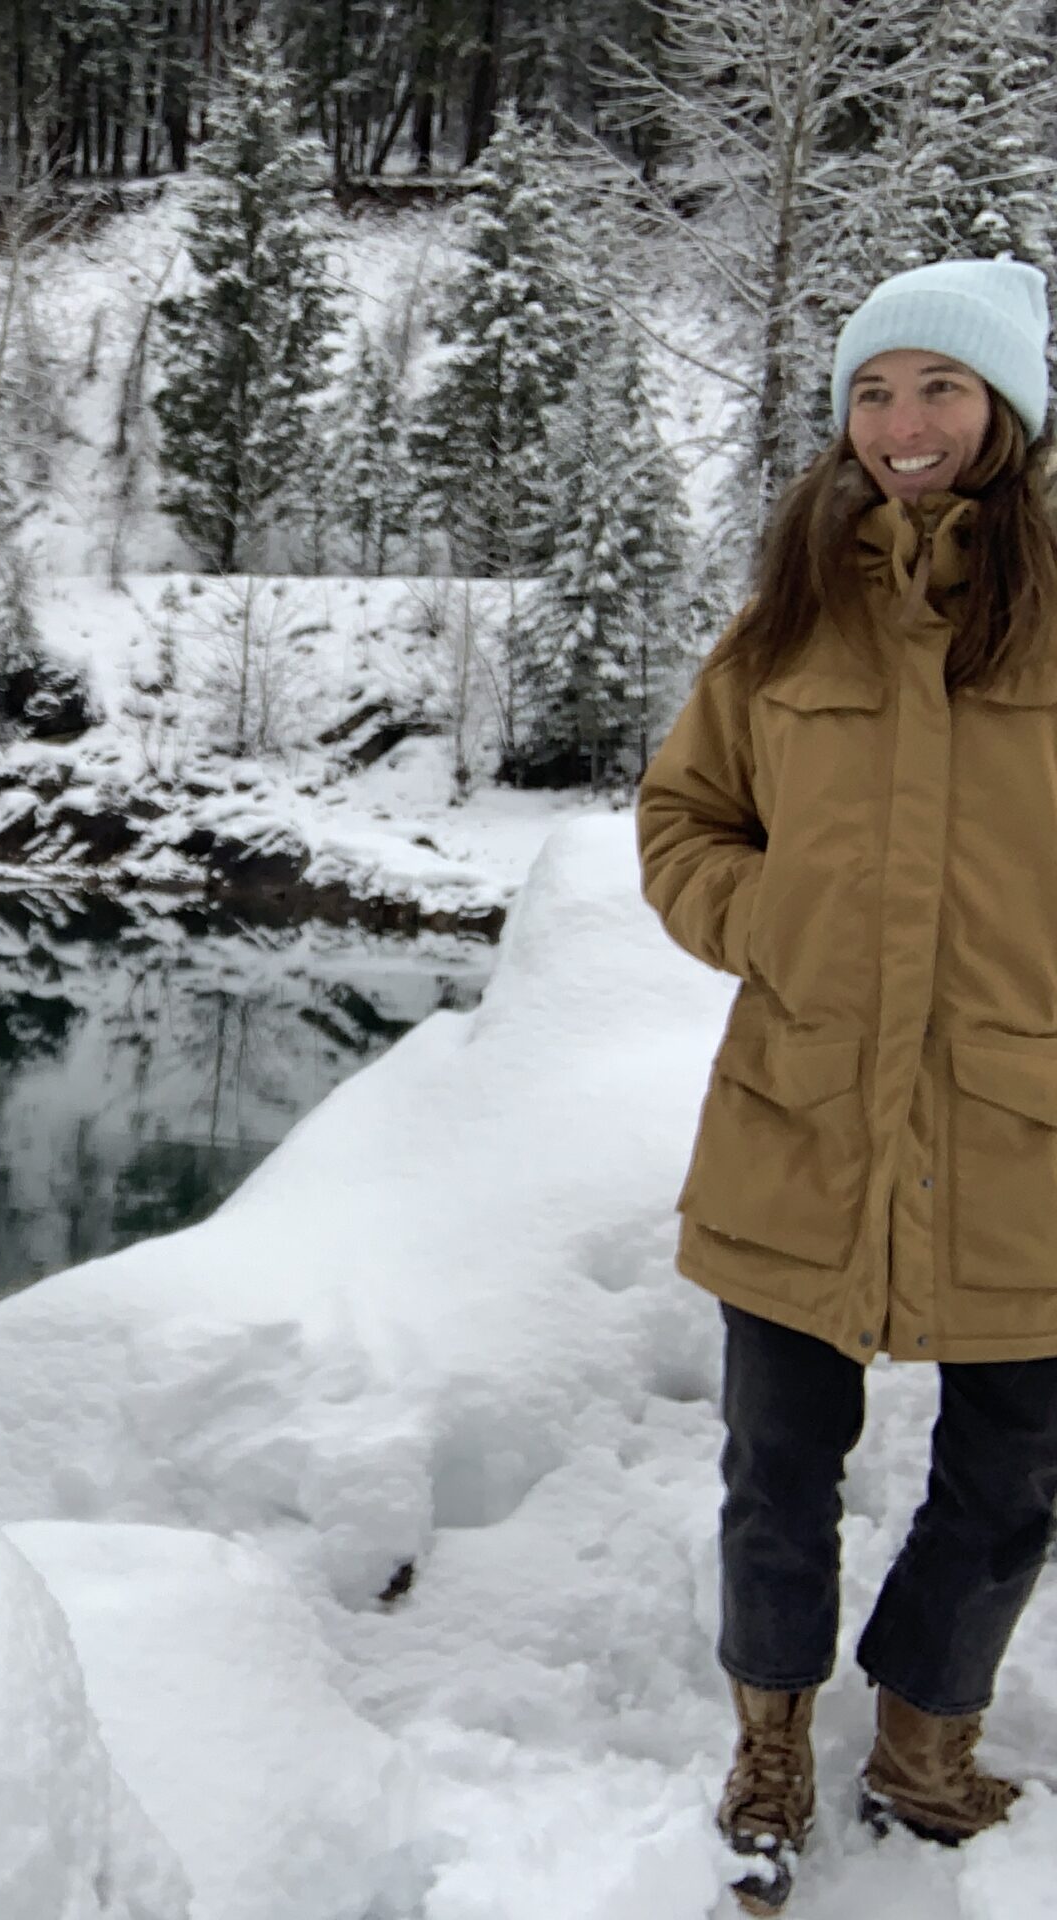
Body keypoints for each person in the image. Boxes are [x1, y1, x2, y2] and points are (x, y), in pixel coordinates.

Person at [639, 256, 1057, 1918]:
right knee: (775, 1470)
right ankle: (769, 1751)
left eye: (939, 390)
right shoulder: (786, 620)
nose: (903, 425)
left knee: (1017, 1475)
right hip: (798, 1117)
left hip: (1022, 1129)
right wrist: (769, 918)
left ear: (1008, 410)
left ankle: (923, 1747)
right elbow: (684, 822)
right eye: (874, 393)